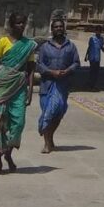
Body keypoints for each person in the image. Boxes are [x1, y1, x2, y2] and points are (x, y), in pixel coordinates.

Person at [0, 12, 36, 174]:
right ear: (12, 25)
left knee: (18, 123)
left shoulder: (29, 45)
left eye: (23, 23)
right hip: (1, 86)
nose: (21, 26)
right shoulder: (2, 42)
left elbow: (31, 69)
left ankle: (8, 153)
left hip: (19, 86)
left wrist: (30, 91)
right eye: (18, 23)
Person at [36, 16, 80, 153]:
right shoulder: (45, 47)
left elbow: (76, 63)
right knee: (48, 112)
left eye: (61, 26)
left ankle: (50, 137)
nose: (59, 29)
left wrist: (67, 71)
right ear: (52, 29)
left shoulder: (71, 46)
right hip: (47, 85)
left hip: (63, 86)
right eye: (56, 27)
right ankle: (47, 143)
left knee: (58, 113)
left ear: (64, 28)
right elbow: (39, 64)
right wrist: (51, 72)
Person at [85, 26, 104, 91]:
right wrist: (86, 56)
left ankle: (93, 84)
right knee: (92, 71)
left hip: (97, 57)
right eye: (97, 30)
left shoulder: (102, 39)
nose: (98, 32)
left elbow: (101, 47)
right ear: (95, 31)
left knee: (96, 72)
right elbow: (89, 47)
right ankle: (91, 85)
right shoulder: (92, 38)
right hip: (92, 56)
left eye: (99, 30)